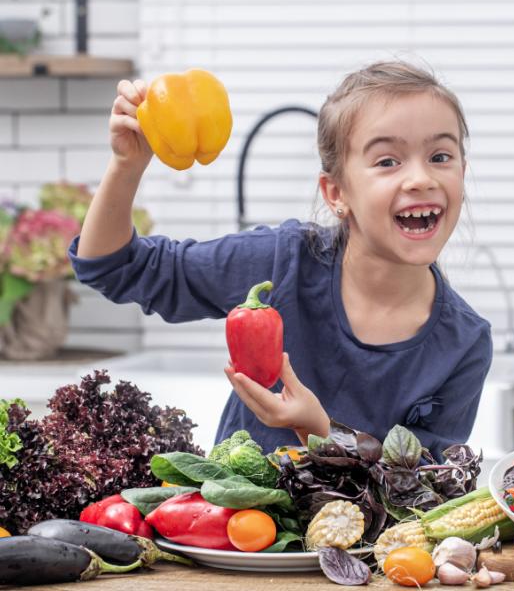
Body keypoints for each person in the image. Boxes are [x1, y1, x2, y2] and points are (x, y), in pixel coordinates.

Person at [69, 60, 492, 460]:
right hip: (234, 535)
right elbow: (111, 266)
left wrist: (321, 433)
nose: (421, 178)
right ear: (336, 193)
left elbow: (428, 492)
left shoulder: (464, 343)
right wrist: (128, 164)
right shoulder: (281, 262)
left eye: (440, 156)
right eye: (387, 161)